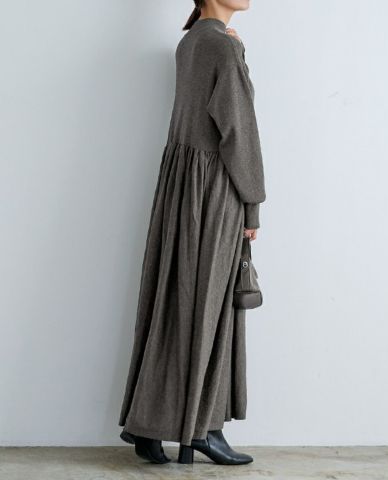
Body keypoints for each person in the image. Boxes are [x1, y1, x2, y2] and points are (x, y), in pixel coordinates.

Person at [118, 0, 266, 465]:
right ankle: (202, 428)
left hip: (181, 187)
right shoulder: (222, 47)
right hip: (216, 187)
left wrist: (238, 54)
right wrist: (253, 204)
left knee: (174, 303)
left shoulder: (191, 42)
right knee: (212, 309)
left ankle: (149, 426)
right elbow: (238, 131)